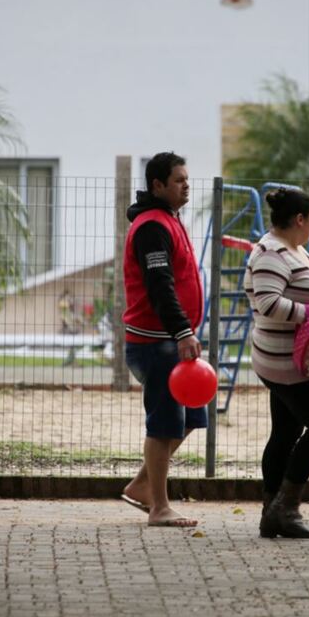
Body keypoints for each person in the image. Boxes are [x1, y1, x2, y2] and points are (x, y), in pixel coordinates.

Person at [244, 188, 309, 539]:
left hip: (292, 360)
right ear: (299, 219)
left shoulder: (293, 250)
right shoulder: (270, 252)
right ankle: (285, 507)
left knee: (285, 433)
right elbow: (269, 303)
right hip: (288, 364)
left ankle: (272, 514)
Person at [119, 151, 204, 528]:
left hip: (170, 340)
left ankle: (141, 485)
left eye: (187, 179)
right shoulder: (153, 226)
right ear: (158, 185)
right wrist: (182, 331)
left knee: (192, 415)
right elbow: (159, 285)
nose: (187, 186)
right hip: (157, 342)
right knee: (164, 422)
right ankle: (159, 507)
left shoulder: (168, 219)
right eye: (179, 181)